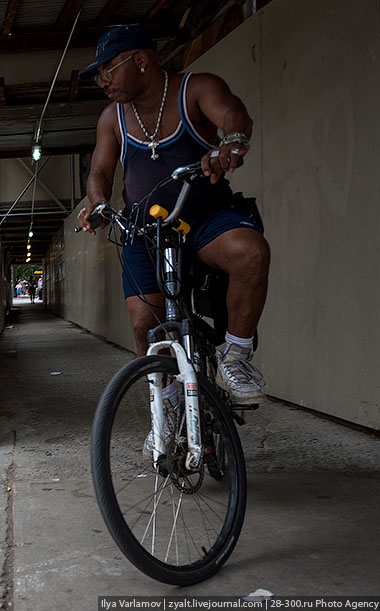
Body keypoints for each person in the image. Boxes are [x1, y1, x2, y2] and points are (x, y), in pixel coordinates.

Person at [77, 25, 270, 405]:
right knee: (144, 324)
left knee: (251, 252)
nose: (103, 82)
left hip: (203, 220)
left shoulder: (195, 89)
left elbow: (233, 113)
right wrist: (98, 203)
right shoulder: (111, 118)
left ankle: (235, 357)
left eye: (107, 71)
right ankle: (165, 408)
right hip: (144, 232)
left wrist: (231, 141)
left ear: (141, 61)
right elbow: (99, 173)